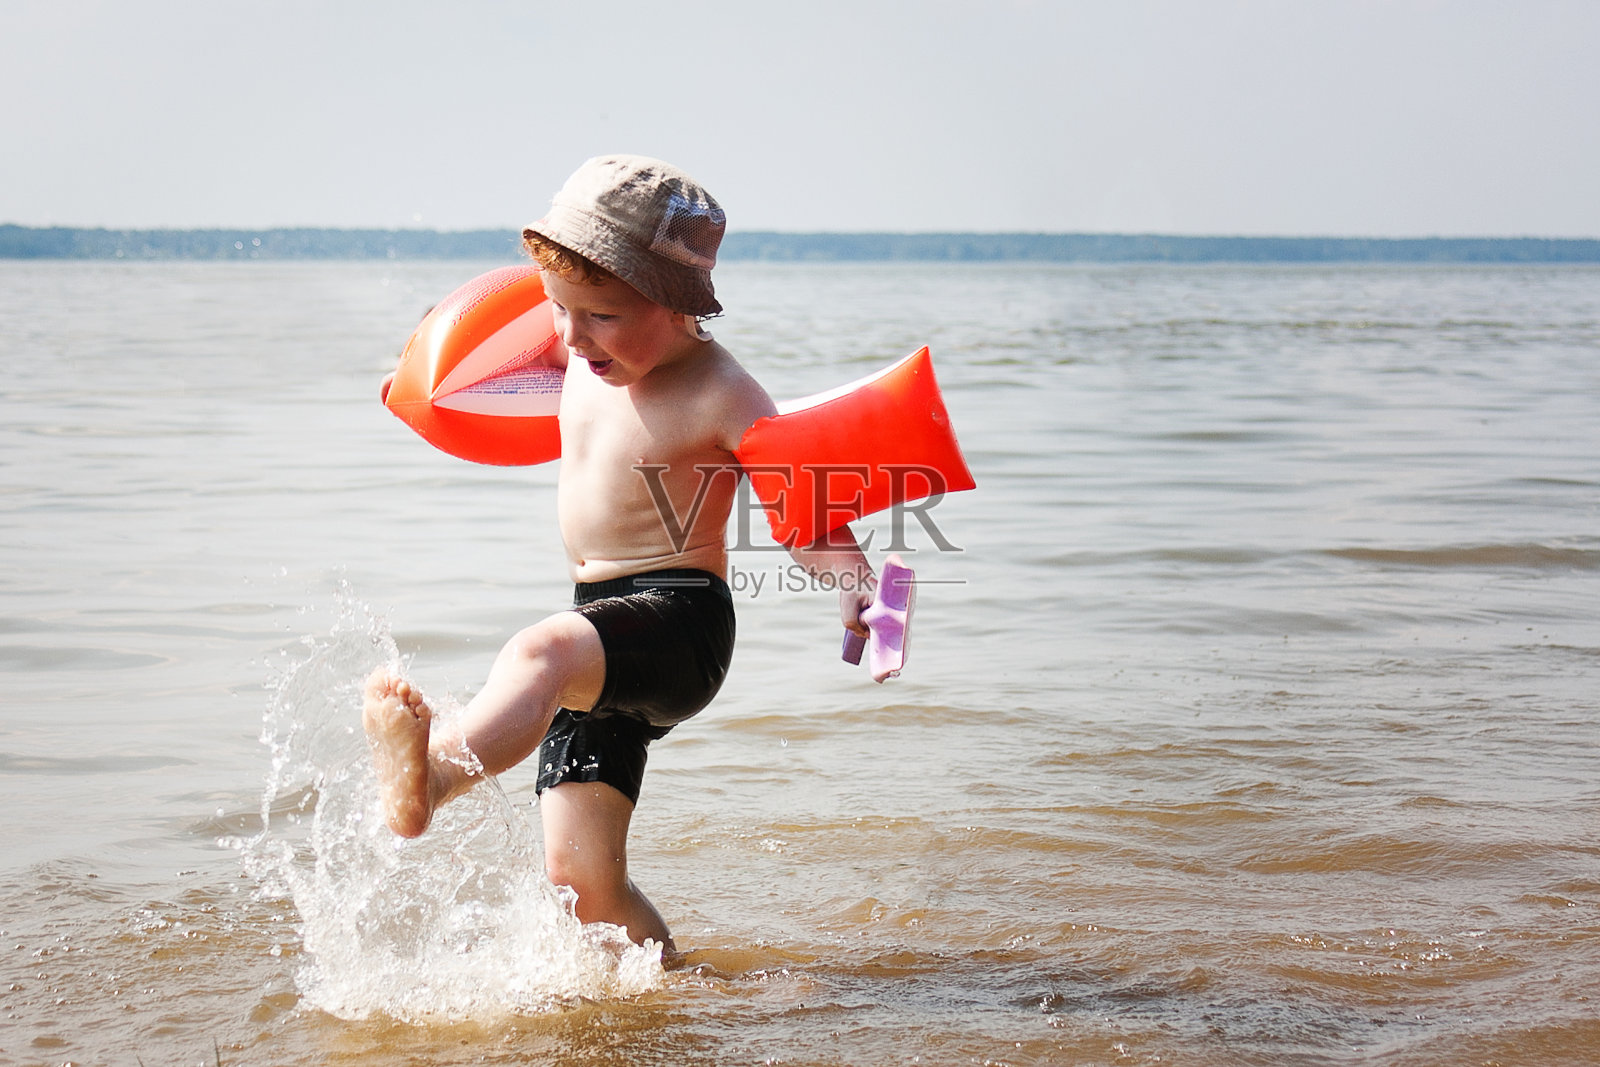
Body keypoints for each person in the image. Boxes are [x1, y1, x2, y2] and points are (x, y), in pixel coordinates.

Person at [363, 155, 875, 954]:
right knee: (581, 882)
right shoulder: (587, 347)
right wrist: (420, 381)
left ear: (674, 306)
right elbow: (479, 364)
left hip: (680, 622)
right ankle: (676, 992)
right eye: (559, 309)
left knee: (539, 650)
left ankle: (433, 775)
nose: (570, 336)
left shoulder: (722, 393)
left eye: (597, 315)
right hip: (599, 620)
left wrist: (853, 584)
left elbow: (799, 510)